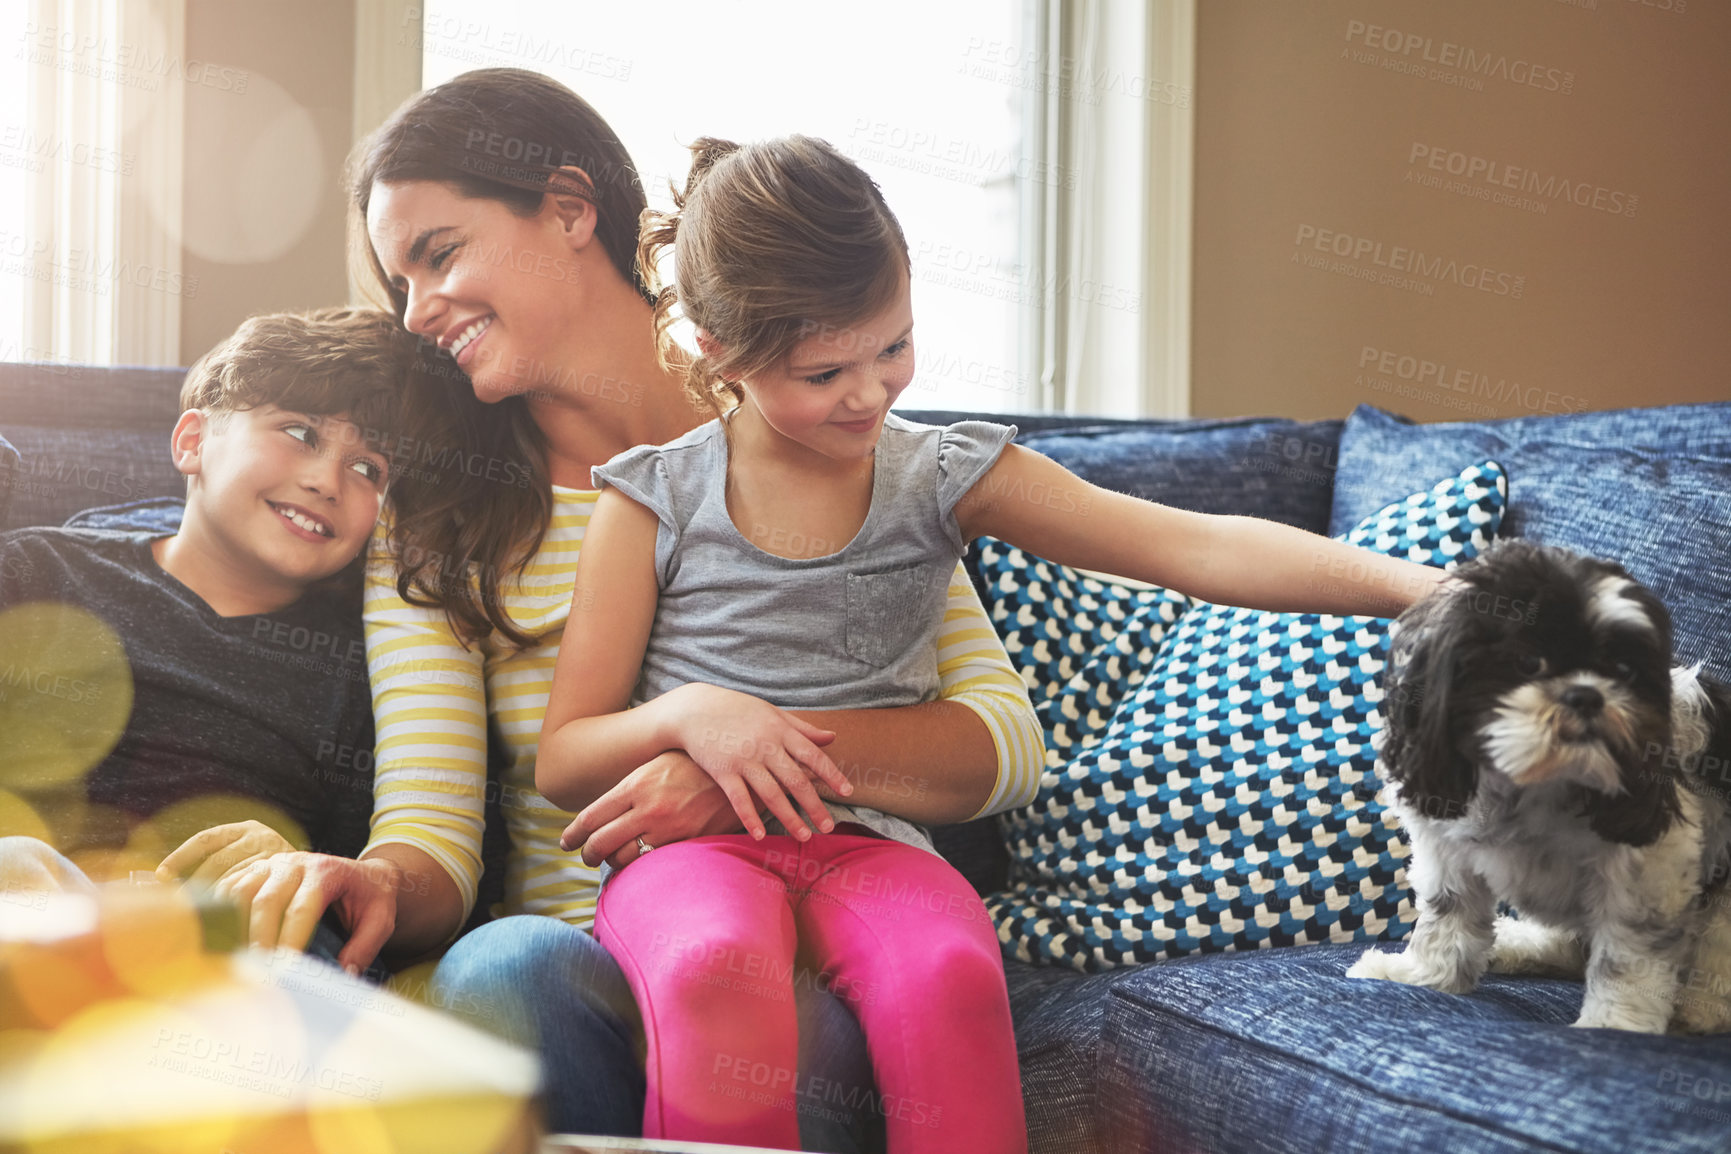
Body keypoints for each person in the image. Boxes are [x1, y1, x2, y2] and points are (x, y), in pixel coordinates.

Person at [165, 68, 1048, 1147]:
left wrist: (739, 770)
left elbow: (1002, 741)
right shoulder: (441, 510)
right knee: (501, 962)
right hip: (576, 976)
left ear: (571, 208)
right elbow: (433, 833)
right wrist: (373, 877)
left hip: (826, 969)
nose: (417, 310)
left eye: (440, 253)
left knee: (790, 1004)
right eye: (401, 280)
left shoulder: (814, 420)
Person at [533, 135, 1451, 1151]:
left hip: (871, 845)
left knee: (951, 974)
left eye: (894, 346)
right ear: (714, 347)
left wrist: (1429, 590)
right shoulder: (650, 498)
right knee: (714, 966)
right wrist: (693, 713)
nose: (871, 394)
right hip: (695, 855)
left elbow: (1186, 544)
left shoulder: (943, 473)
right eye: (823, 370)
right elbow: (567, 755)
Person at [0, 307, 416, 972]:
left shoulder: (363, 668)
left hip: (217, 943)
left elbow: (358, 880)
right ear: (193, 441)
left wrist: (304, 869)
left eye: (368, 469)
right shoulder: (37, 572)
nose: (325, 481)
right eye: (300, 432)